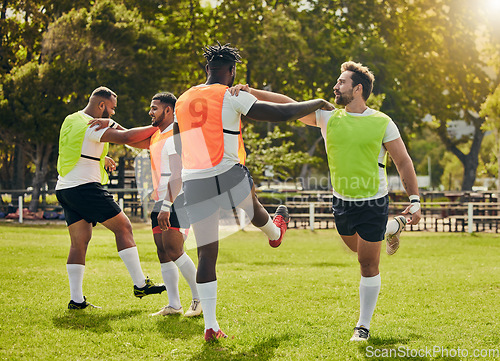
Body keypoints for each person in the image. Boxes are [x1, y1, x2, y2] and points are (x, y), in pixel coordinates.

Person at [157, 42, 334, 342]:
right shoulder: (230, 96)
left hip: (195, 180)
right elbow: (279, 113)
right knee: (251, 208)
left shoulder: (184, 99)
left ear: (206, 70)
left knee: (206, 255)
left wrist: (168, 199)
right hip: (226, 173)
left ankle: (210, 326)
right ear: (232, 71)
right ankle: (275, 234)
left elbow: (178, 148)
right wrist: (316, 101)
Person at [232, 61, 421, 341]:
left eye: (341, 82)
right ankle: (394, 227)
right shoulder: (328, 117)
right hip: (341, 202)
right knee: (358, 248)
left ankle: (363, 325)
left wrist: (415, 199)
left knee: (367, 263)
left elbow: (403, 161)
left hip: (373, 202)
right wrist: (252, 91)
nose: (335, 86)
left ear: (358, 89)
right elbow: (288, 104)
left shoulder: (382, 122)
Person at [56, 86, 166, 310]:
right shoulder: (92, 124)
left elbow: (74, 148)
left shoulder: (72, 119)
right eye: (112, 109)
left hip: (65, 187)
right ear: (101, 106)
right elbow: (125, 137)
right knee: (124, 227)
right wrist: (160, 126)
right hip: (84, 188)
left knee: (79, 242)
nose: (113, 114)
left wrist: (101, 158)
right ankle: (140, 284)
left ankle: (76, 301)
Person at [94, 92, 202, 317]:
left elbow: (177, 174)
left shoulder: (175, 135)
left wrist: (166, 205)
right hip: (160, 199)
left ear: (168, 110)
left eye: (154, 108)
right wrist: (111, 123)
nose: (150, 112)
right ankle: (174, 305)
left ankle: (199, 299)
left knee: (174, 250)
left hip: (176, 199)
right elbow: (129, 137)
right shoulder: (157, 136)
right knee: (162, 251)